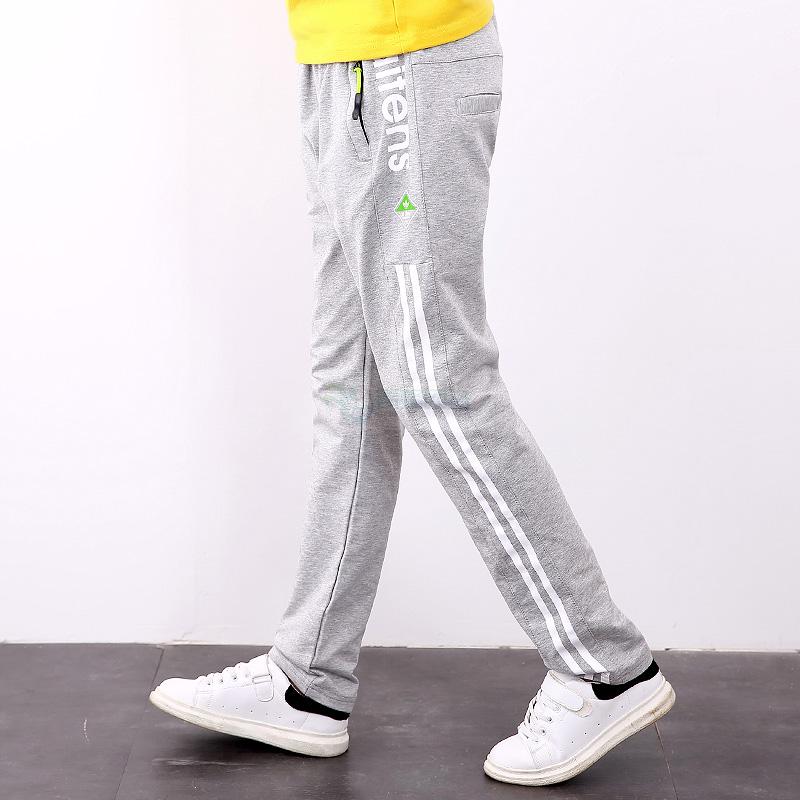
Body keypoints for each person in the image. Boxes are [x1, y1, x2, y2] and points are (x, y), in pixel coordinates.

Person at [149, 0, 675, 785]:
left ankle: (604, 664)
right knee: (350, 391)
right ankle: (309, 679)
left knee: (440, 382)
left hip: (406, 60)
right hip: (337, 62)